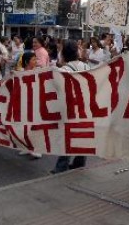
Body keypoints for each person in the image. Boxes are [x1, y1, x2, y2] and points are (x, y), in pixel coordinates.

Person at [50, 40, 90, 174]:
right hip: (84, 106)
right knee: (83, 134)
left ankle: (62, 165)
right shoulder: (86, 66)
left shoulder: (62, 71)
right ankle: (79, 162)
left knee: (66, 135)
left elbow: (57, 88)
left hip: (68, 107)